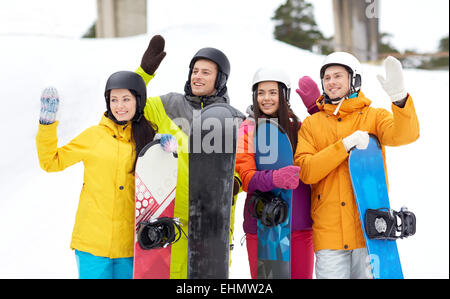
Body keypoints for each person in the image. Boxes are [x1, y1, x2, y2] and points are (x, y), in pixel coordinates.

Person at [36, 71, 176, 279]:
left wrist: (162, 149)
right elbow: (51, 162)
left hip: (131, 246)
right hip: (93, 244)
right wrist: (47, 126)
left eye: (126, 99)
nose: (119, 106)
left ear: (138, 101)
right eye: (114, 100)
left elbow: (162, 182)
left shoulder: (147, 140)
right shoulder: (94, 136)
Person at [294, 52, 420, 279]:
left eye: (338, 76)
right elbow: (307, 171)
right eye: (327, 77)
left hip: (368, 231)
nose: (331, 82)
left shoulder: (373, 117)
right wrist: (343, 146)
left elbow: (405, 135)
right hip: (329, 234)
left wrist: (399, 99)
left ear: (355, 80)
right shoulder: (312, 125)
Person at [134, 35, 245, 278]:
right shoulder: (169, 105)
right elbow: (128, 105)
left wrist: (234, 181)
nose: (198, 76)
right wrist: (143, 73)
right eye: (195, 70)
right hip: (170, 226)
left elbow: (246, 168)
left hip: (211, 230)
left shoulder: (234, 120)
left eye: (206, 72)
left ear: (220, 79)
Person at [235, 67, 315, 279]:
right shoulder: (247, 129)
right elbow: (246, 178)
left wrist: (317, 111)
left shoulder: (300, 128)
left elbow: (325, 143)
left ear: (284, 95)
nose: (266, 98)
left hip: (300, 225)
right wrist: (274, 178)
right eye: (261, 93)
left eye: (273, 92)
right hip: (264, 226)